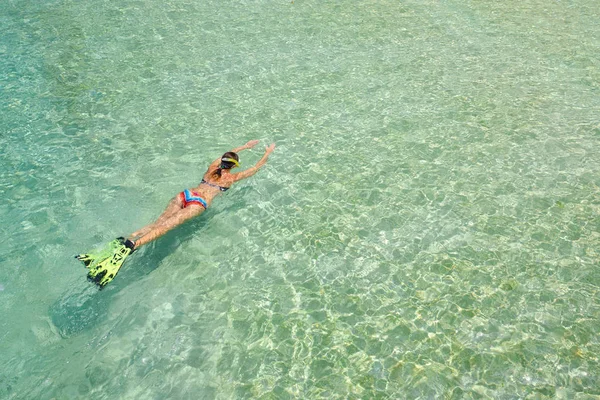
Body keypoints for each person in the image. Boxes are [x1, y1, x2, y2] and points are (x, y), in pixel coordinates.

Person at [76, 140, 276, 288]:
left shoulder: (211, 168)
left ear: (223, 160)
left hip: (185, 194)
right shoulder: (230, 179)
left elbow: (227, 153)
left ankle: (126, 240)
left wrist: (244, 146)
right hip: (197, 203)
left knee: (156, 223)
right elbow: (256, 168)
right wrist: (267, 152)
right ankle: (131, 246)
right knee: (165, 228)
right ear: (234, 166)